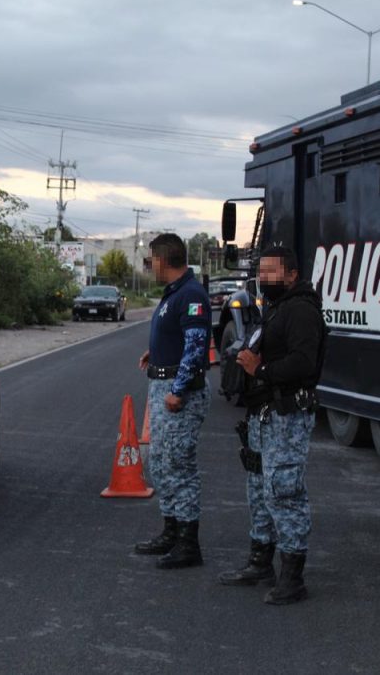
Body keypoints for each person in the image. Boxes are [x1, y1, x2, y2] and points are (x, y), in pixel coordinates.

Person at [219, 245, 324, 604]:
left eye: (271, 272)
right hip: (264, 414)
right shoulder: (277, 309)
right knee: (259, 489)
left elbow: (303, 362)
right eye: (261, 271)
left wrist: (260, 370)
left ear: (291, 274)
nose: (263, 278)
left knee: (284, 491)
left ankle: (292, 577)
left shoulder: (301, 311)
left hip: (288, 416)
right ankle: (260, 562)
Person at [134, 233, 212, 569]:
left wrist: (178, 391)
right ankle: (170, 530)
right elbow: (181, 338)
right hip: (162, 384)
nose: (149, 266)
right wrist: (158, 353)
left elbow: (196, 348)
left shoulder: (192, 294)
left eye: (150, 260)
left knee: (180, 466)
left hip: (178, 394)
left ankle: (188, 543)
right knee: (160, 462)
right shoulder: (175, 293)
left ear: (163, 260)